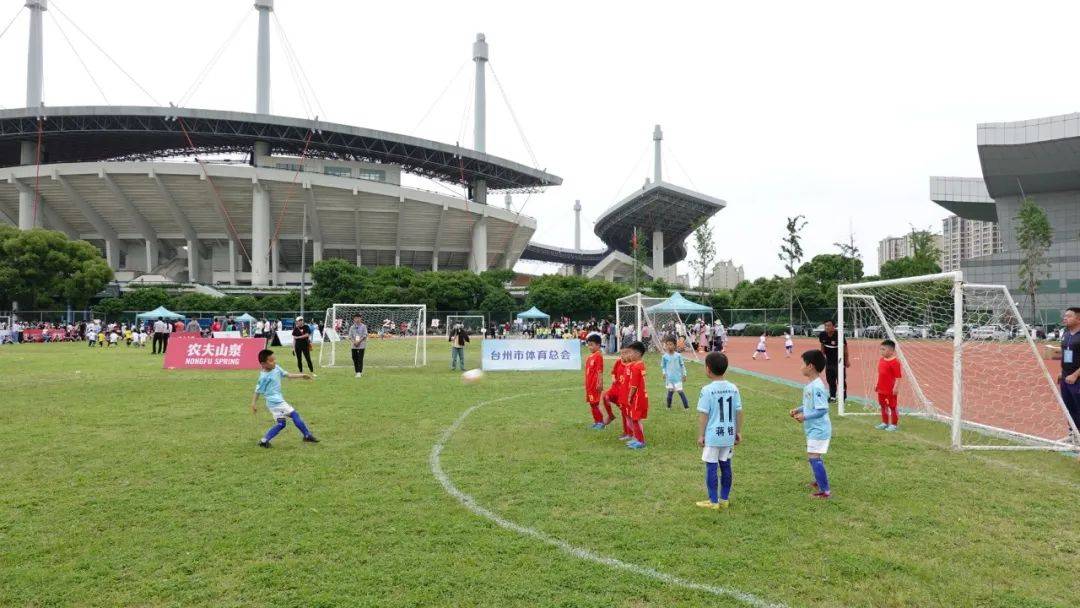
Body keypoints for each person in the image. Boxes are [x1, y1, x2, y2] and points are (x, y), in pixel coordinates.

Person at [695, 352, 742, 510]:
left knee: (712, 467)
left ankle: (713, 501)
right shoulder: (733, 388)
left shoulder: (707, 390)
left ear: (708, 369)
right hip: (728, 433)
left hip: (713, 435)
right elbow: (739, 411)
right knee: (726, 465)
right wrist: (738, 431)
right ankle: (724, 499)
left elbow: (704, 414)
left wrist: (701, 435)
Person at [251, 349, 318, 447]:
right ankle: (307, 435)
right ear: (263, 364)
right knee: (294, 414)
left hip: (272, 403)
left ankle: (264, 441)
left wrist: (302, 375)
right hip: (276, 402)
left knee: (281, 424)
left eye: (274, 359)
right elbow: (258, 390)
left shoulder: (276, 368)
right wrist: (253, 403)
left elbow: (288, 375)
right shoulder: (264, 377)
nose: (274, 362)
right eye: (271, 361)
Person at [789, 350, 832, 499]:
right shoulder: (811, 385)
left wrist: (805, 417)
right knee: (813, 455)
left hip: (819, 428)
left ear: (810, 366)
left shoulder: (817, 387)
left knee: (813, 456)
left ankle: (825, 491)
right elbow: (809, 405)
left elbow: (822, 409)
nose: (800, 367)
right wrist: (798, 409)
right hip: (813, 428)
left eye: (803, 363)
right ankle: (818, 481)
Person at [1045, 307, 1080, 438]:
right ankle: (1073, 434)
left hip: (1077, 378)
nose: (1065, 318)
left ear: (1078, 319)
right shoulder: (1066, 333)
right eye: (1064, 316)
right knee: (1069, 407)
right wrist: (1063, 372)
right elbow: (1066, 354)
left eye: (1069, 316)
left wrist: (1075, 375)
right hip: (1066, 377)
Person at [624, 341, 649, 449]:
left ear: (638, 354)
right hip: (641, 396)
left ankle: (641, 441)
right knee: (635, 419)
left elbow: (634, 385)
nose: (629, 355)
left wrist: (629, 396)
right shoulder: (640, 364)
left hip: (637, 397)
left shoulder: (635, 367)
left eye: (631, 352)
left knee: (635, 419)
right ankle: (637, 439)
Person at [604, 347, 632, 440]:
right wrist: (613, 378)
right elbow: (613, 372)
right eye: (621, 353)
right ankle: (610, 416)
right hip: (615, 389)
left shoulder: (632, 365)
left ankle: (627, 432)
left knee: (625, 411)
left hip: (624, 392)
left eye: (625, 353)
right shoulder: (618, 362)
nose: (622, 355)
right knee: (605, 396)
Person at [584, 334, 610, 429]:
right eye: (589, 345)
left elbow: (600, 371)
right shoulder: (590, 356)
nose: (590, 347)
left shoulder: (598, 356)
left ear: (598, 345)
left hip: (595, 384)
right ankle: (596, 421)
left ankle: (600, 422)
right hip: (589, 385)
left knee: (595, 403)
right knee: (592, 403)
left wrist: (600, 383)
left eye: (592, 345)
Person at [875, 339, 902, 431]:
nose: (881, 351)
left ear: (891, 351)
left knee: (892, 406)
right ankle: (885, 422)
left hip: (890, 389)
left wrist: (896, 387)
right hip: (881, 388)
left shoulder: (895, 362)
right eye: (880, 349)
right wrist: (877, 384)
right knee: (883, 406)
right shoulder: (881, 360)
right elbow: (880, 374)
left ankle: (894, 424)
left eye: (883, 349)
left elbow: (898, 377)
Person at [818, 320, 849, 402]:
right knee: (830, 380)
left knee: (841, 380)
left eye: (829, 325)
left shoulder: (839, 335)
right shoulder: (822, 335)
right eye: (825, 326)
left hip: (839, 361)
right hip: (829, 361)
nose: (827, 327)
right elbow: (822, 346)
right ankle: (832, 397)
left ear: (834, 327)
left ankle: (843, 397)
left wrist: (847, 360)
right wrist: (822, 358)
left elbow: (845, 348)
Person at [661, 338, 689, 409]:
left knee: (680, 391)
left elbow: (682, 365)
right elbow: (663, 366)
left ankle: (686, 407)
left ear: (675, 345)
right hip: (669, 378)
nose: (669, 346)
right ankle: (668, 407)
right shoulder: (664, 357)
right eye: (667, 345)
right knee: (670, 391)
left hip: (678, 378)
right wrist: (664, 373)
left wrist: (684, 374)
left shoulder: (678, 356)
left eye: (670, 344)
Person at [348, 314, 368, 379]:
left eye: (358, 318)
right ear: (354, 319)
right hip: (354, 345)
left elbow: (365, 335)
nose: (357, 319)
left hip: (361, 345)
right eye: (356, 318)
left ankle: (359, 372)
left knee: (360, 358)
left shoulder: (364, 326)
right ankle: (357, 371)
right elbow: (350, 336)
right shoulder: (352, 327)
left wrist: (359, 341)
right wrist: (354, 342)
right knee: (354, 358)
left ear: (361, 319)